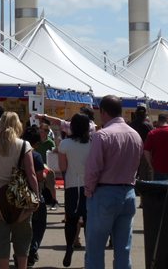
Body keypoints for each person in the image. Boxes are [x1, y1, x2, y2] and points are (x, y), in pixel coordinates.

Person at [84, 95, 143, 269]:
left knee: (95, 248)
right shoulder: (135, 135)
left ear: (103, 112)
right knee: (123, 248)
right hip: (128, 192)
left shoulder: (102, 135)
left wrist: (89, 191)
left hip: (104, 193)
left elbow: (93, 169)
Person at [0, 112, 38, 269]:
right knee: (23, 236)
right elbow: (31, 173)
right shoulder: (24, 145)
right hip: (19, 195)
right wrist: (36, 196)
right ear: (18, 125)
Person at [57, 113, 92, 267]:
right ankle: (89, 252)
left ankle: (69, 246)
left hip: (72, 185)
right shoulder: (92, 143)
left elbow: (63, 167)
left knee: (71, 219)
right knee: (89, 220)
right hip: (90, 185)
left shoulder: (65, 144)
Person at [22, 125, 48, 267]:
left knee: (21, 226)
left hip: (16, 193)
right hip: (32, 193)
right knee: (39, 224)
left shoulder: (16, 152)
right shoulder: (35, 155)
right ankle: (32, 248)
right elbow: (38, 176)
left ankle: (20, 252)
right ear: (36, 143)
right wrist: (45, 173)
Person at [128, 104, 153, 181]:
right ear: (145, 115)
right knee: (144, 172)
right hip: (145, 151)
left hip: (132, 150)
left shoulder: (131, 125)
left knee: (133, 171)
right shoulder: (148, 125)